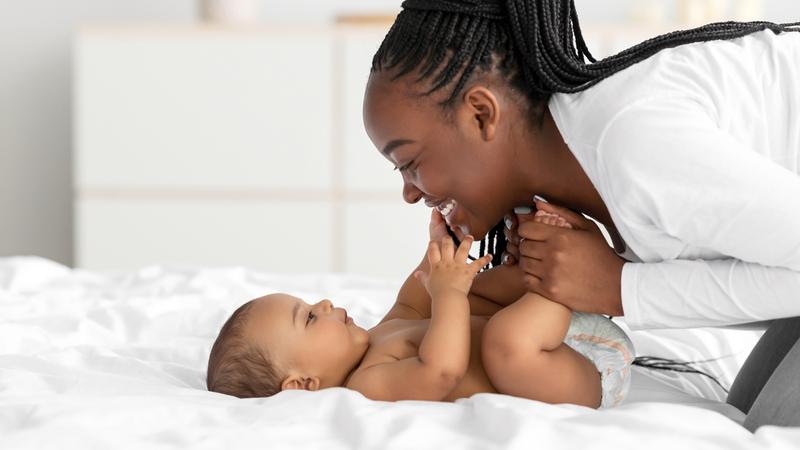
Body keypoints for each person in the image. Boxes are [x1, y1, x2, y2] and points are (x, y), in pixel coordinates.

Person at [361, 0, 800, 431]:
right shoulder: (590, 166)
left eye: (409, 162)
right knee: (741, 419)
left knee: (766, 434)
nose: (408, 193)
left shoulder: (636, 146)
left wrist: (620, 289)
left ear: (481, 114)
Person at [206, 209, 635, 409]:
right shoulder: (367, 386)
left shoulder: (377, 335)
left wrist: (440, 247)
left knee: (470, 290)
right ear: (303, 384)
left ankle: (534, 265)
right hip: (582, 370)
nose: (323, 303)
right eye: (310, 318)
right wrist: (448, 296)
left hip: (560, 336)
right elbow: (440, 371)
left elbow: (416, 296)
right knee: (501, 339)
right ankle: (559, 280)